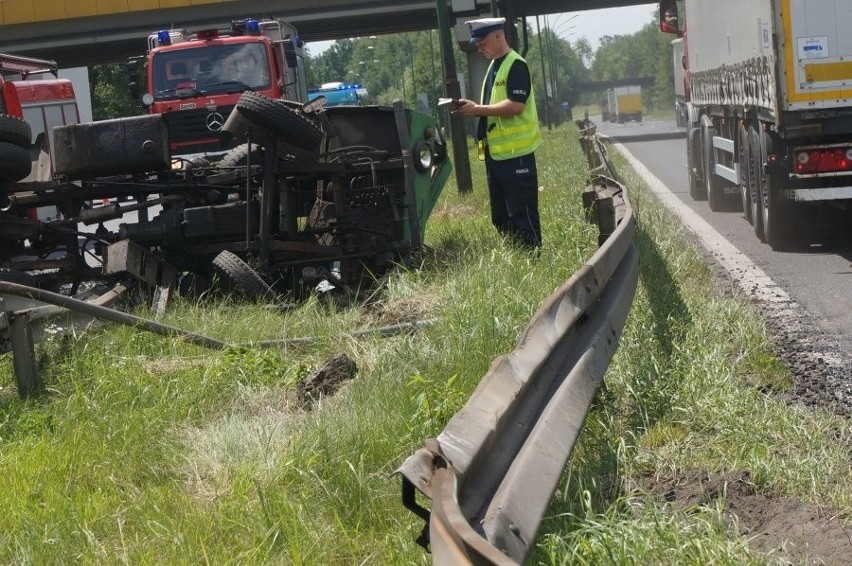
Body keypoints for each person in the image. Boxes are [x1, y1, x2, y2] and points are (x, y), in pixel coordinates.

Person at [456, 17, 543, 249]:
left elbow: (516, 105)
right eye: (477, 44)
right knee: (501, 217)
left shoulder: (515, 64)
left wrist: (477, 110)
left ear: (498, 35)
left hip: (517, 156)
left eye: (482, 42)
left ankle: (531, 261)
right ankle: (516, 257)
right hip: (497, 157)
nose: (479, 47)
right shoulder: (494, 66)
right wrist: (475, 107)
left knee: (523, 217)